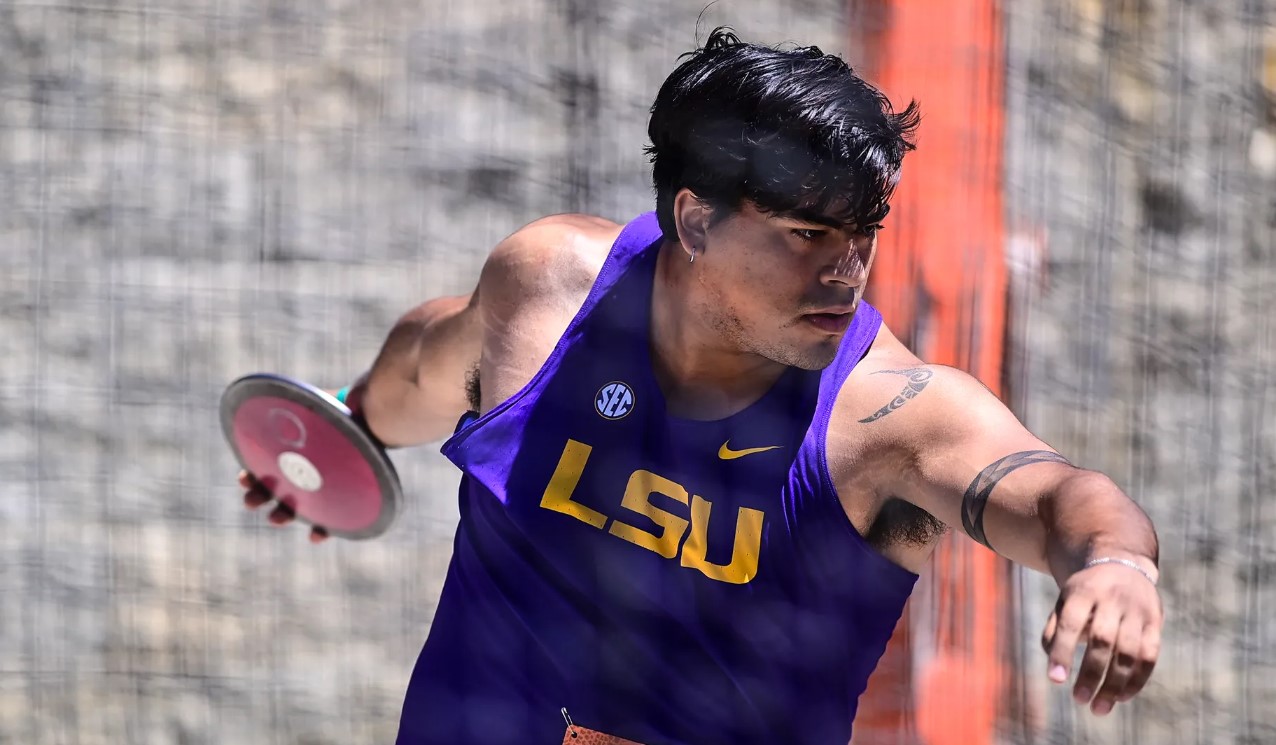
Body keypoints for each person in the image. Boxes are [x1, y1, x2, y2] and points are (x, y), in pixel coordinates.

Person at [237, 28, 1163, 745]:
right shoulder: (552, 287)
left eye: (863, 237)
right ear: (694, 218)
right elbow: (431, 361)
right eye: (807, 235)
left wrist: (1115, 564)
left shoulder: (890, 419)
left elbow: (1054, 496)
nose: (846, 272)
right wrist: (340, 435)